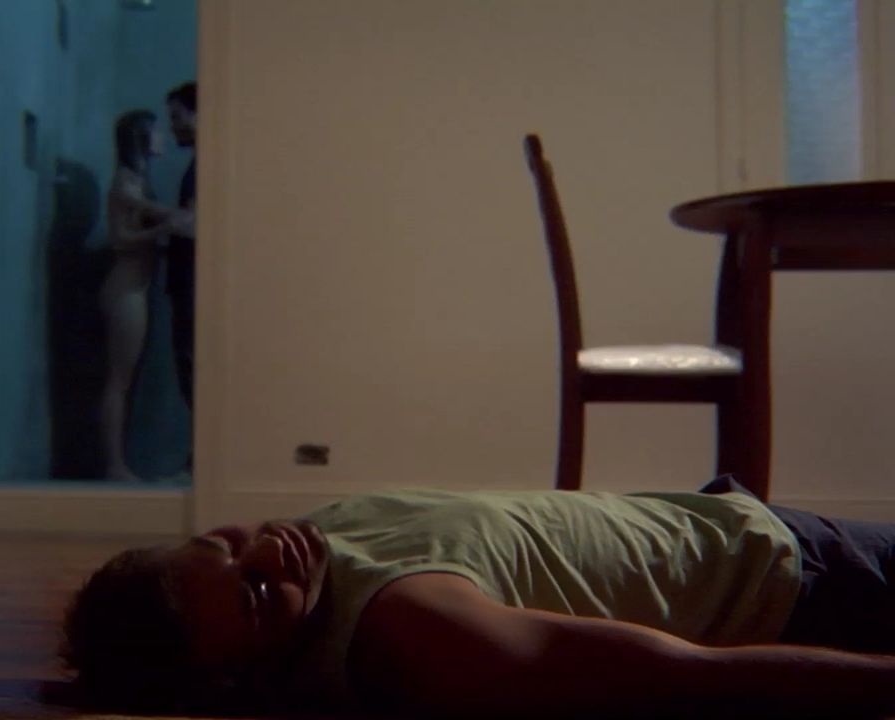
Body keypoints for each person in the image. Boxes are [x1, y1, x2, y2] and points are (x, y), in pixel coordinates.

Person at [60, 476, 895, 718]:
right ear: (235, 680)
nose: (270, 551)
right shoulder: (416, 632)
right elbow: (686, 675)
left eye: (226, 543)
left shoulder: (317, 551)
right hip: (808, 583)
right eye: (256, 596)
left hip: (737, 525)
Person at [98, 109, 187, 482]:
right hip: (126, 290)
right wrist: (166, 227)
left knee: (126, 380)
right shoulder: (126, 182)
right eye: (156, 131)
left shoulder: (137, 180)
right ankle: (114, 465)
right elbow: (121, 239)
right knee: (119, 380)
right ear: (140, 138)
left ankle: (118, 463)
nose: (163, 137)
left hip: (137, 287)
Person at [163, 82, 197, 421]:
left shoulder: (205, 167)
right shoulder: (200, 165)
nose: (172, 126)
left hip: (191, 285)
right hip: (187, 283)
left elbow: (192, 225)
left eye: (177, 116)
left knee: (193, 370)